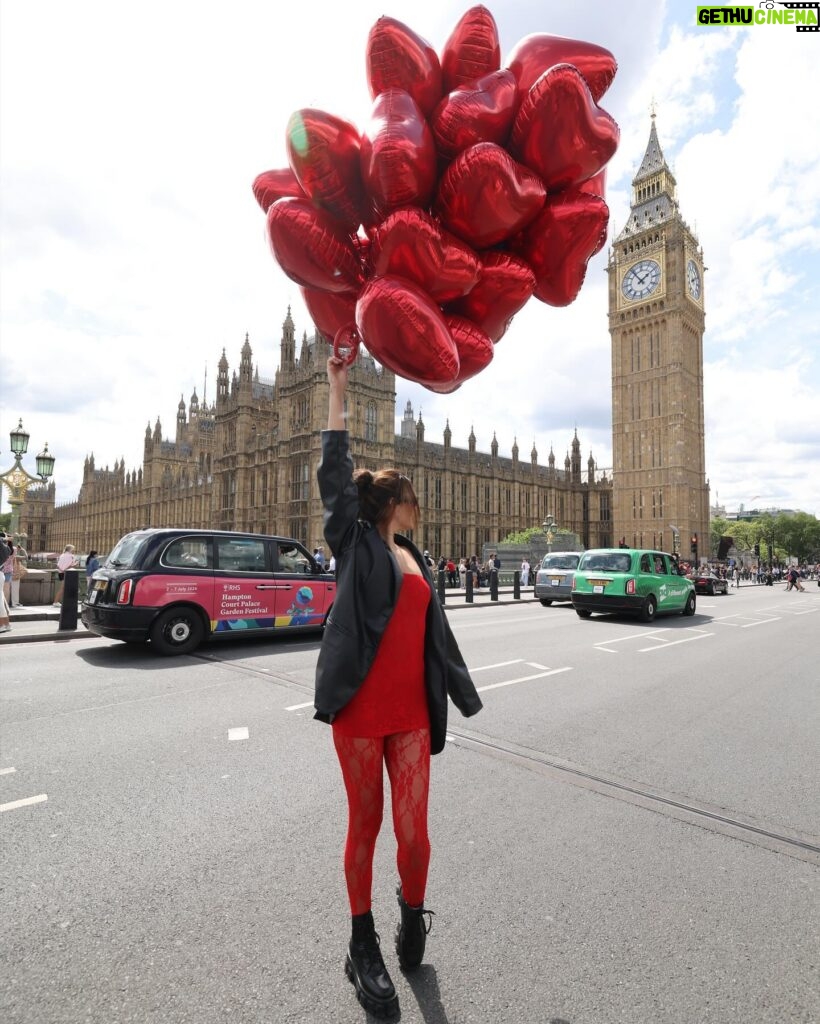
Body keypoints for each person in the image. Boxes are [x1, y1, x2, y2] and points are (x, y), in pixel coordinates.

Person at [314, 355, 483, 1019]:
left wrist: (463, 691)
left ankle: (411, 913)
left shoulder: (421, 559)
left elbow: (433, 636)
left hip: (413, 709)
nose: (424, 506)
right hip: (360, 706)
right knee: (367, 825)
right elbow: (334, 471)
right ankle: (362, 945)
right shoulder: (355, 543)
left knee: (413, 834)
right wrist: (334, 386)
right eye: (415, 498)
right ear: (392, 503)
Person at [11, 540, 28, 608]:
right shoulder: (16, 557)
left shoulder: (7, 555)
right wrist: (23, 550)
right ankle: (15, 603)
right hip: (15, 575)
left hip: (6, 573)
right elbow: (26, 557)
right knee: (15, 589)